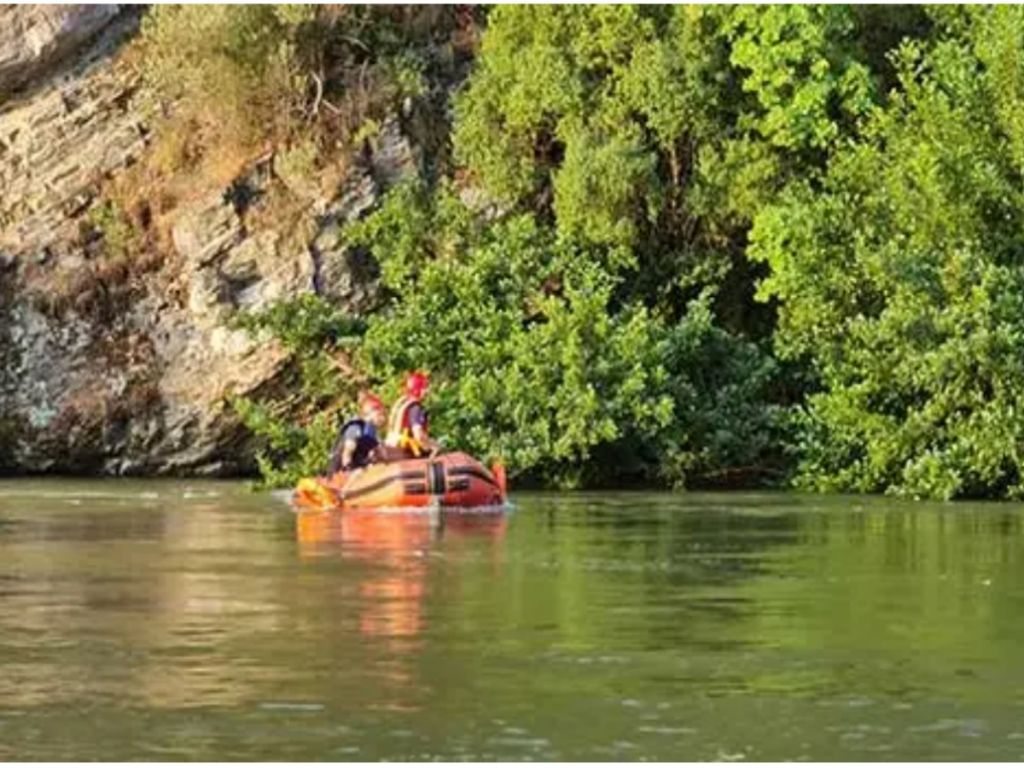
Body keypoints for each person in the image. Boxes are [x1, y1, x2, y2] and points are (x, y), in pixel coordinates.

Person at [327, 392, 388, 475]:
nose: (382, 418)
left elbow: (383, 454)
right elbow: (347, 453)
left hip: (358, 466)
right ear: (369, 415)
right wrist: (350, 471)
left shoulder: (373, 432)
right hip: (340, 471)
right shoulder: (355, 428)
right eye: (379, 415)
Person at [385, 370, 440, 459]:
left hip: (391, 445)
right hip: (405, 449)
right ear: (417, 389)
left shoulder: (403, 403)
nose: (427, 391)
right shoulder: (415, 408)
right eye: (424, 388)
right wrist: (433, 446)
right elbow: (418, 434)